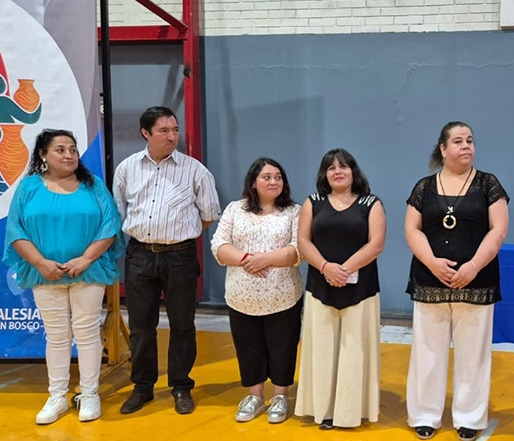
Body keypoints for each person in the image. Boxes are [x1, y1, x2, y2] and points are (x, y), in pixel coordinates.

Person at [3, 129, 123, 424]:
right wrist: (41, 262)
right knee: (56, 336)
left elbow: (110, 226)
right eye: (60, 150)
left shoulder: (93, 185)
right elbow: (16, 231)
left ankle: (90, 393)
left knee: (86, 332)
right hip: (45, 274)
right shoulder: (29, 187)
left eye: (72, 149)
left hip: (89, 271)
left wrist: (85, 259)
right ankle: (57, 395)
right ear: (43, 155)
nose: (69, 155)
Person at [405, 121, 509, 441]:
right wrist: (433, 264)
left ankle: (469, 417)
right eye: (458, 141)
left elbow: (499, 230)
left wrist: (474, 266)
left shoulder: (488, 184)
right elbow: (412, 229)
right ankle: (425, 415)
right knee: (427, 352)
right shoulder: (424, 187)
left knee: (472, 354)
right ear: (443, 149)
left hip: (476, 282)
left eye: (470, 141)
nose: (466, 146)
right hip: (429, 279)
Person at [113, 106, 221, 415]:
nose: (171, 136)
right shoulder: (128, 168)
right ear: (145, 133)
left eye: (175, 130)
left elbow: (209, 215)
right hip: (140, 255)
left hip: (180, 256)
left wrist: (177, 235)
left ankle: (181, 386)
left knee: (182, 323)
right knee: (141, 325)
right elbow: (120, 210)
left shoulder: (195, 170)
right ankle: (143, 387)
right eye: (163, 131)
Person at [294, 148, 385, 430]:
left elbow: (376, 244)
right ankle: (324, 410)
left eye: (343, 166)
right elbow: (303, 241)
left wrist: (344, 270)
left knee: (355, 350)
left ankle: (350, 412)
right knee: (321, 350)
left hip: (361, 290)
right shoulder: (314, 202)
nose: (337, 171)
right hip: (321, 287)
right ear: (325, 174)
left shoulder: (372, 203)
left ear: (353, 171)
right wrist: (326, 268)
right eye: (331, 168)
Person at [210, 157, 303, 423]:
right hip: (241, 297)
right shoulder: (235, 209)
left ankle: (281, 396)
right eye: (266, 176)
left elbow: (298, 249)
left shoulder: (294, 211)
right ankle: (254, 395)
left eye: (278, 177)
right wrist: (247, 259)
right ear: (253, 181)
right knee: (248, 347)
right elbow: (219, 244)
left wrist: (265, 259)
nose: (273, 181)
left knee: (282, 346)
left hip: (283, 295)